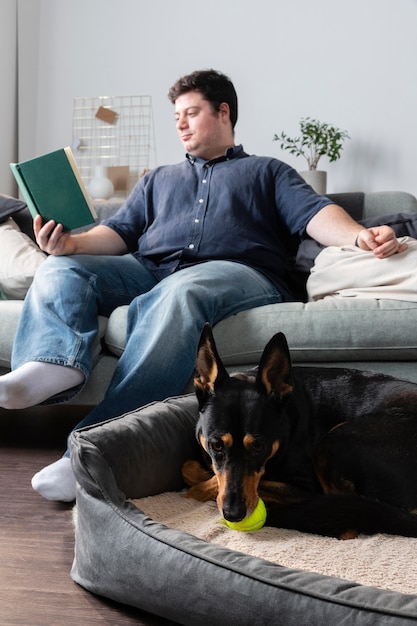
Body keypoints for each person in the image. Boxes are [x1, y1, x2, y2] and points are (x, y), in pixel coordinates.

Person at [0, 69, 405, 502]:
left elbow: (317, 214)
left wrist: (358, 235)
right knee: (62, 267)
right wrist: (71, 244)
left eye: (191, 112)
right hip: (151, 270)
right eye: (176, 115)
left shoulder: (267, 171)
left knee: (183, 290)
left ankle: (89, 452)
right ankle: (53, 364)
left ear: (223, 111)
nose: (180, 123)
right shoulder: (156, 179)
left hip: (238, 272)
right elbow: (118, 233)